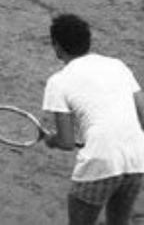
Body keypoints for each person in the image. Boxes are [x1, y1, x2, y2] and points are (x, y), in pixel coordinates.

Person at [42, 13, 144, 225]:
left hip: (100, 163)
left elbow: (67, 142)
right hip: (137, 160)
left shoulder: (58, 82)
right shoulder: (118, 66)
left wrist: (51, 140)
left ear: (57, 46)